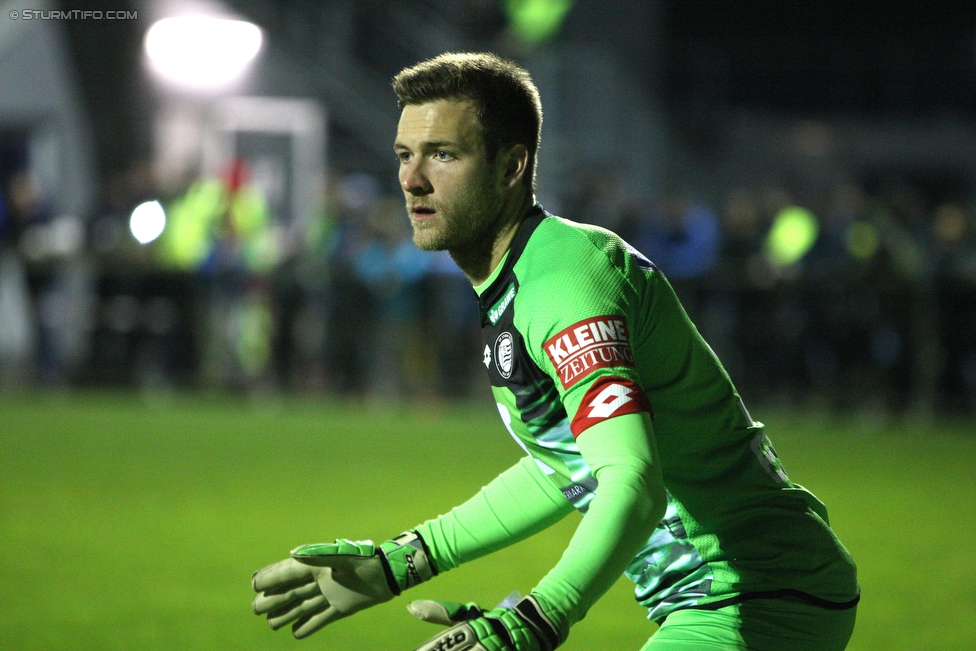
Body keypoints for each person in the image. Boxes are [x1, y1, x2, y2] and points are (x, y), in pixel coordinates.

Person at [251, 52, 859, 651]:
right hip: (740, 596)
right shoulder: (518, 280)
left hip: (760, 595)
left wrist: (538, 620)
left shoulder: (564, 281)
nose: (412, 179)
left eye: (443, 154)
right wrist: (401, 563)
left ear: (512, 166)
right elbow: (565, 469)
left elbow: (633, 481)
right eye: (405, 155)